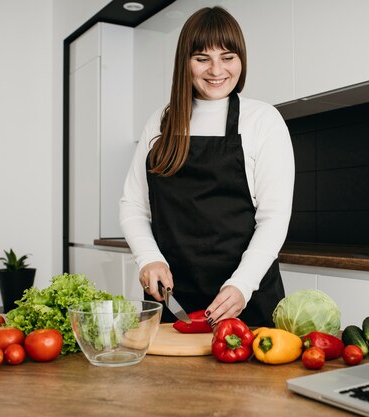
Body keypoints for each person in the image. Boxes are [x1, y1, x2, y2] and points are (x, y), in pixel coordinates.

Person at [119, 6, 294, 327]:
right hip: (172, 299)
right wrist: (148, 258)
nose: (216, 70)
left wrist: (242, 284)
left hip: (248, 300)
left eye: (227, 57)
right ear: (185, 63)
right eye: (202, 58)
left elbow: (273, 219)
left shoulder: (263, 120)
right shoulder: (161, 121)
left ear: (241, 59)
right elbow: (133, 205)